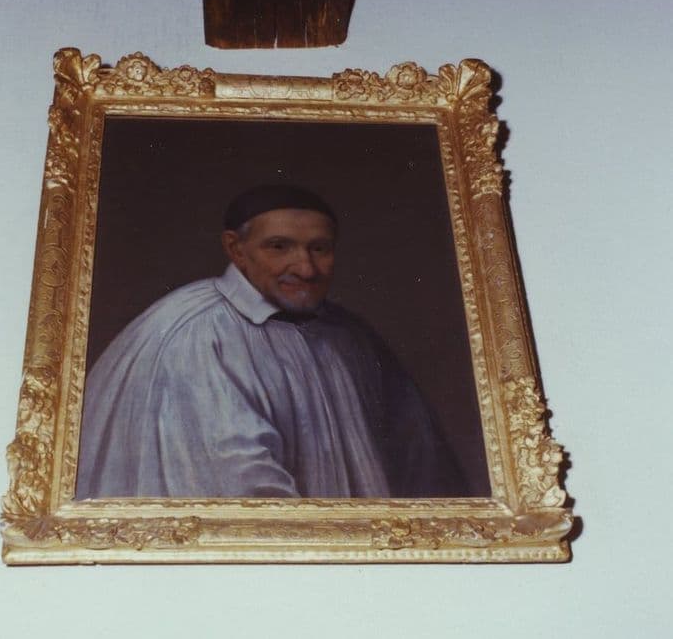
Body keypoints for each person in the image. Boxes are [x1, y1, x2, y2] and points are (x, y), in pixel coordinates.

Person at [76, 184, 466, 499]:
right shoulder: (201, 334)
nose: (306, 268)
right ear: (236, 249)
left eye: (319, 249)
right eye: (279, 247)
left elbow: (424, 464)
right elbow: (245, 492)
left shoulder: (350, 335)